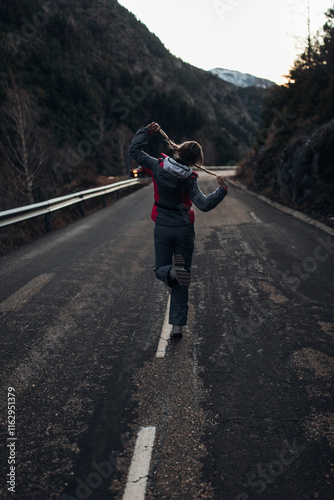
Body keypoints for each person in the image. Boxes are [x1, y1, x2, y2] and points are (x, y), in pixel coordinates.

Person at [128, 122, 228, 338]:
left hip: (163, 227)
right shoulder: (190, 181)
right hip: (184, 230)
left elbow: (134, 151)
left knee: (161, 269)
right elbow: (203, 204)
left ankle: (171, 272)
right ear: (195, 161)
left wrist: (146, 132)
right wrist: (222, 189)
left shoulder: (157, 166)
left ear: (178, 149)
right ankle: (177, 326)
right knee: (184, 277)